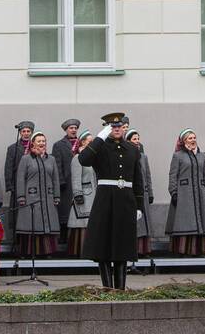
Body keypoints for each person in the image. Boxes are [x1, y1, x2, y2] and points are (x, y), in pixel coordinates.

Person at [79, 112, 144, 290]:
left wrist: (139, 206)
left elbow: (138, 179)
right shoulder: (99, 147)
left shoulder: (132, 149)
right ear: (107, 129)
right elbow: (83, 160)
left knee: (122, 248)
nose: (116, 129)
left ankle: (121, 289)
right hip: (105, 201)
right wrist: (98, 140)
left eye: (119, 126)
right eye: (112, 127)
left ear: (124, 128)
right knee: (104, 247)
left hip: (125, 202)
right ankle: (108, 289)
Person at [15, 132, 64, 257]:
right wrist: (21, 196)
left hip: (48, 198)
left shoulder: (51, 159)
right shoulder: (26, 159)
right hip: (31, 197)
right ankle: (28, 252)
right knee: (31, 223)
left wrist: (56, 196)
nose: (42, 143)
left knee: (47, 223)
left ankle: (47, 251)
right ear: (33, 143)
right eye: (39, 141)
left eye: (44, 141)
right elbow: (20, 178)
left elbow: (55, 179)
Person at [165, 128, 205, 256]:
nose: (193, 140)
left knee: (200, 220)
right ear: (184, 140)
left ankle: (198, 250)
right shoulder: (178, 156)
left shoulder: (202, 156)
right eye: (190, 138)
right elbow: (172, 175)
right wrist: (173, 192)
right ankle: (183, 251)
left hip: (200, 193)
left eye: (194, 137)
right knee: (185, 221)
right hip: (184, 194)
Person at [5, 121, 34, 252]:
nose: (26, 134)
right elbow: (8, 168)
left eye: (28, 131)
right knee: (17, 214)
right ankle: (17, 242)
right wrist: (10, 185)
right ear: (20, 133)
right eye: (24, 131)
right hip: (18, 186)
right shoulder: (13, 148)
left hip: (33, 186)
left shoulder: (36, 146)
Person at [126, 130, 154, 262]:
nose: (137, 141)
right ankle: (133, 249)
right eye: (134, 139)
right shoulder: (126, 155)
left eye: (138, 138)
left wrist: (151, 193)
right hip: (132, 193)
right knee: (134, 224)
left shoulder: (143, 157)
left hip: (144, 193)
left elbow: (147, 176)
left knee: (144, 223)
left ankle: (144, 250)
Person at [51, 118, 80, 246]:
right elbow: (57, 164)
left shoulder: (82, 143)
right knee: (65, 211)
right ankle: (63, 236)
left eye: (75, 128)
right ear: (66, 130)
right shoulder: (59, 145)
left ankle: (76, 238)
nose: (73, 130)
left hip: (80, 182)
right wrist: (60, 181)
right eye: (71, 128)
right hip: (66, 184)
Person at [67, 130, 96, 256]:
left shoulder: (93, 157)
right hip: (84, 196)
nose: (92, 142)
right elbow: (75, 177)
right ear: (83, 142)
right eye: (90, 140)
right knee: (82, 222)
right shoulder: (77, 158)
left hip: (94, 194)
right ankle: (79, 251)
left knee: (91, 222)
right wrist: (78, 194)